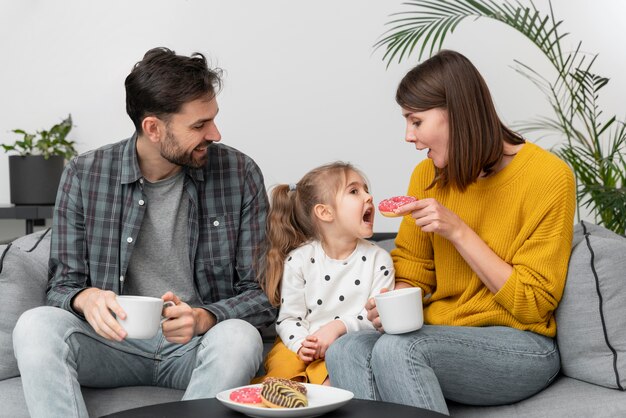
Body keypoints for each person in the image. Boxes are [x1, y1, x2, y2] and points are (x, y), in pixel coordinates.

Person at [12, 47, 277, 418]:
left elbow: (262, 295)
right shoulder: (85, 174)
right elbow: (61, 286)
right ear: (153, 128)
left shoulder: (239, 173)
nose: (214, 133)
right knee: (35, 325)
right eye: (199, 125)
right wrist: (84, 298)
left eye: (212, 119)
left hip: (195, 347)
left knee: (240, 338)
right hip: (112, 345)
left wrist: (205, 317)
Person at [326, 49, 576, 415]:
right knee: (346, 348)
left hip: (522, 344)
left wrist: (459, 232)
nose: (408, 136)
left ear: (454, 114)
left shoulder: (549, 177)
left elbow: (533, 303)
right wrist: (393, 303)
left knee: (401, 349)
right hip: (439, 333)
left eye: (416, 121)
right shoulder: (426, 176)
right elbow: (412, 269)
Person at [253, 162, 395, 385]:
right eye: (354, 191)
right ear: (325, 212)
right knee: (281, 377)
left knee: (330, 380)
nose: (368, 197)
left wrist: (338, 329)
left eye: (366, 189)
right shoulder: (298, 261)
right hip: (297, 343)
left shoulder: (380, 260)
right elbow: (289, 318)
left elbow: (376, 318)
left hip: (346, 346)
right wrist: (303, 345)